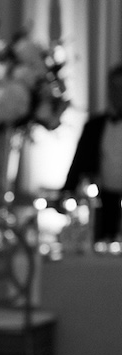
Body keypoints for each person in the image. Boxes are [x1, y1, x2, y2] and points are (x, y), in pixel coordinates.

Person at [63, 63, 122, 241]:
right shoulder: (93, 127)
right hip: (102, 205)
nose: (118, 93)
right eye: (114, 87)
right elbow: (79, 162)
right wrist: (66, 193)